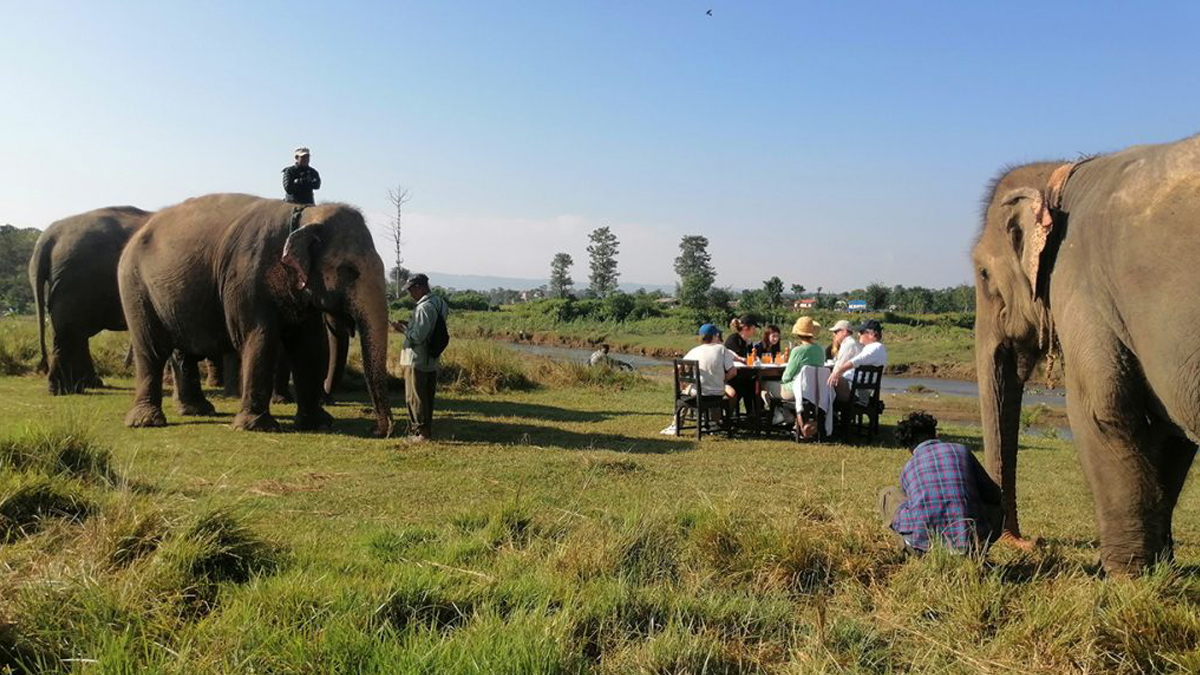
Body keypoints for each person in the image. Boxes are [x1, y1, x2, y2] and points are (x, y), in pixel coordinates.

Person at [877, 412, 1002, 555]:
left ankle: (906, 549)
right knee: (1000, 503)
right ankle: (973, 552)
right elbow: (994, 495)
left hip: (924, 549)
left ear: (909, 447)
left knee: (887, 493)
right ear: (935, 434)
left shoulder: (908, 468)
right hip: (973, 545)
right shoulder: (961, 451)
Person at [390, 273, 447, 442]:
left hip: (417, 358)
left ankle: (421, 433)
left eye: (410, 290)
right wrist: (411, 325)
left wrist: (402, 329)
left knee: (415, 397)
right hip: (431, 358)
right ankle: (425, 430)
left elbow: (417, 337)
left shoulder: (423, 307)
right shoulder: (440, 303)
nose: (410, 294)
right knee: (427, 396)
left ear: (419, 288)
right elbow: (431, 328)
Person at [681, 324, 737, 421]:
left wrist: (682, 384)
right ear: (715, 336)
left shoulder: (694, 351)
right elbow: (733, 372)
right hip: (717, 393)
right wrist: (723, 380)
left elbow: (678, 369)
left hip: (698, 392)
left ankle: (677, 422)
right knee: (730, 393)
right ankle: (717, 421)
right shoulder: (721, 349)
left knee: (686, 390)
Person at [827, 319, 886, 401]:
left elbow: (856, 361)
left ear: (872, 334)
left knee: (826, 378)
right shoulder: (872, 348)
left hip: (856, 392)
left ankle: (820, 409)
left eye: (861, 332)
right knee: (829, 378)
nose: (858, 334)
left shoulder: (876, 347)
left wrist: (838, 372)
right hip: (855, 388)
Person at [779, 317, 825, 401]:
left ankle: (778, 412)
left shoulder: (797, 350)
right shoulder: (820, 350)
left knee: (766, 386)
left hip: (797, 389)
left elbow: (786, 377)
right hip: (815, 389)